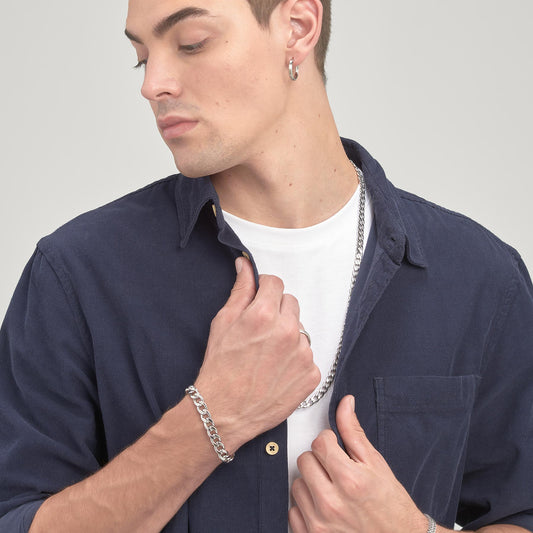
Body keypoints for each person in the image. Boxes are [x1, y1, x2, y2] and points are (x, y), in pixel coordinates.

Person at [0, 0, 532, 531]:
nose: (152, 85)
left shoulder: (479, 279)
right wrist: (209, 421)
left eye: (191, 43)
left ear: (297, 27)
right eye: (142, 57)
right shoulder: (77, 277)